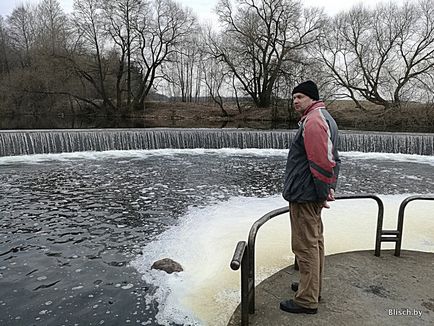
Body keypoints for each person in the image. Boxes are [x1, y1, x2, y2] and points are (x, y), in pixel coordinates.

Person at [280, 80, 341, 314]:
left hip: (305, 195)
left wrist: (322, 192)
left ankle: (306, 299)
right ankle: (312, 287)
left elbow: (323, 162)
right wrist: (328, 188)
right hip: (311, 193)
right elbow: (336, 159)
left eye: (300, 97)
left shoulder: (314, 121)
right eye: (294, 97)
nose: (295, 101)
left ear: (312, 98)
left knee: (305, 246)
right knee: (315, 243)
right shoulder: (324, 118)